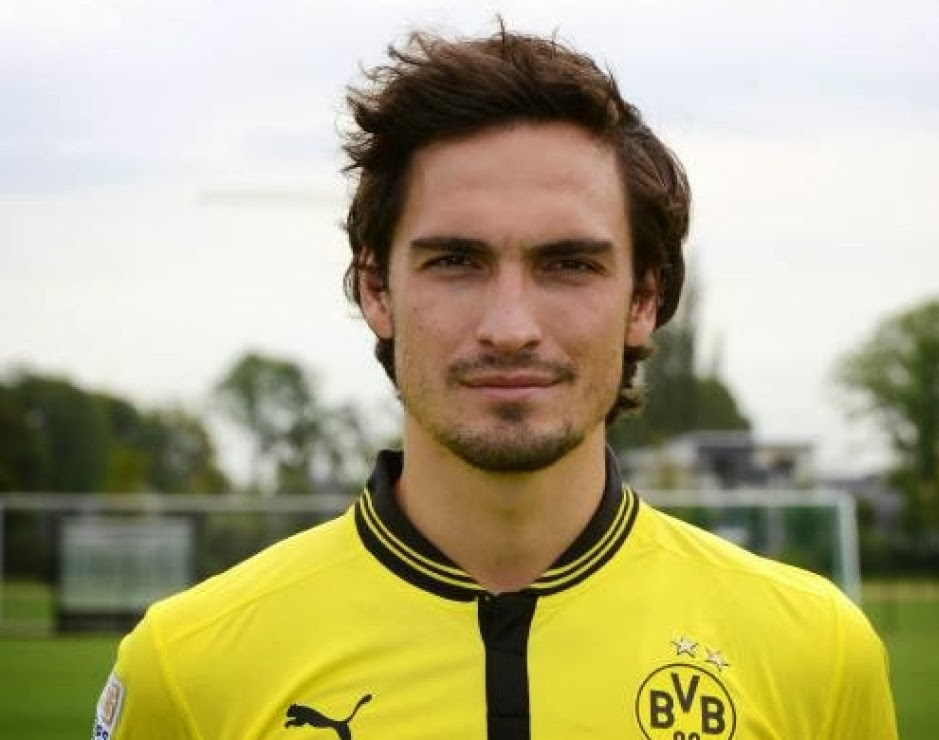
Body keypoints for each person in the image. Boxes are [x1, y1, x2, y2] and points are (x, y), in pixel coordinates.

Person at [93, 24, 898, 740]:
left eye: (569, 264)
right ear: (375, 289)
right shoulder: (189, 667)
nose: (510, 325)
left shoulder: (816, 654)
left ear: (644, 300)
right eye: (455, 260)